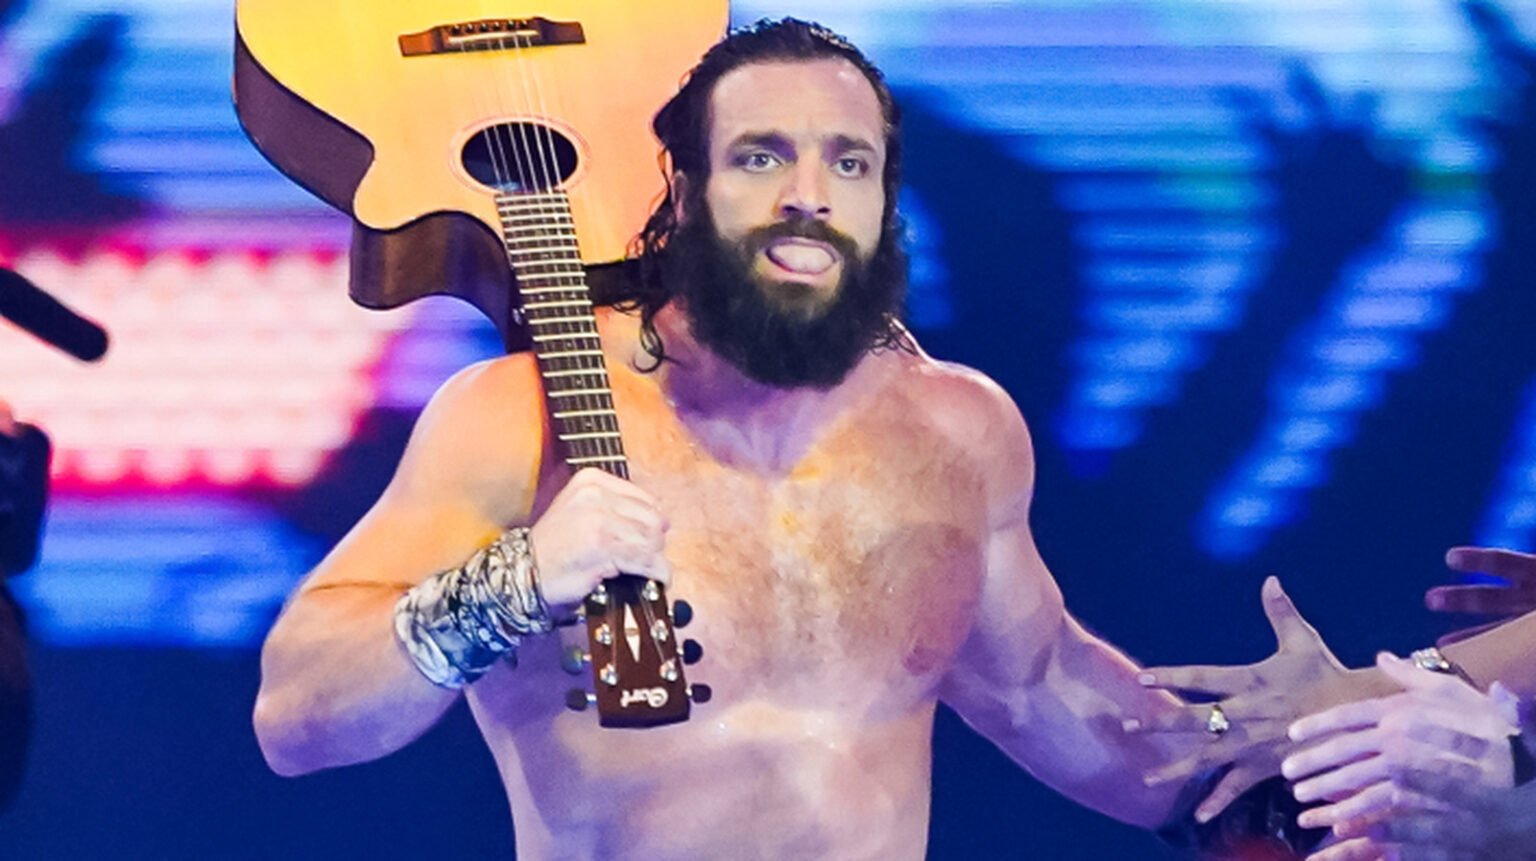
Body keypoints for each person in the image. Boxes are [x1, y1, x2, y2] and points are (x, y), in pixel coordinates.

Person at [253, 18, 1333, 857]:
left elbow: (1043, 689)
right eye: (763, 157)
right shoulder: (520, 418)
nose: (809, 195)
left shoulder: (956, 431)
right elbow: (298, 717)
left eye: (848, 164)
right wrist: (516, 582)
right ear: (685, 191)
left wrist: (1297, 753)